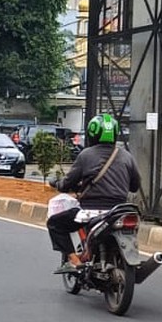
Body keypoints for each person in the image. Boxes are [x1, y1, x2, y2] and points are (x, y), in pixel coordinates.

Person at [46, 111, 140, 272]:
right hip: (119, 211)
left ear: (92, 134)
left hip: (91, 211)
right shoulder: (127, 156)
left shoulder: (86, 155)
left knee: (55, 223)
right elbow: (134, 186)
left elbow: (67, 183)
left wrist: (58, 183)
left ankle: (74, 260)